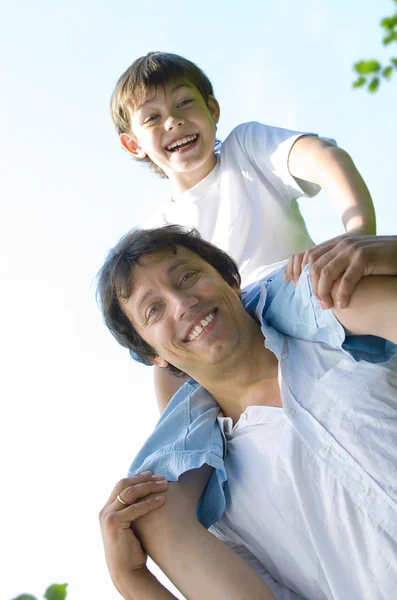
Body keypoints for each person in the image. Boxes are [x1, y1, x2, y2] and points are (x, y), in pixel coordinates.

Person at [98, 225, 397, 600]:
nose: (181, 303)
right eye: (154, 310)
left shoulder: (345, 322)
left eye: (187, 276)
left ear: (229, 278)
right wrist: (131, 579)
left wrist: (391, 251)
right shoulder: (215, 510)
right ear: (152, 355)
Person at [110, 51, 376, 408]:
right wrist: (171, 421)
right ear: (134, 143)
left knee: (340, 293)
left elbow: (325, 159)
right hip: (218, 333)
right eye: (153, 118)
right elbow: (162, 342)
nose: (173, 121)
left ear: (212, 110)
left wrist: (357, 234)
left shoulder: (245, 149)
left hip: (287, 292)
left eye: (185, 103)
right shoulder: (156, 232)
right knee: (179, 381)